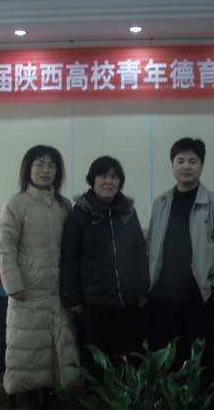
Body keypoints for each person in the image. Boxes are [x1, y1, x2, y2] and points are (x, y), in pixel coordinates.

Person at [0, 145, 79, 410]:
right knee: (27, 355)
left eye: (52, 165)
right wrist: (13, 285)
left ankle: (51, 398)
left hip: (57, 294)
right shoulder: (16, 204)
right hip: (28, 294)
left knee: (54, 353)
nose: (46, 170)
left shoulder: (64, 205)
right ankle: (28, 402)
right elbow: (5, 248)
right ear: (28, 169)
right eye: (40, 164)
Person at [147, 137, 214, 374]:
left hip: (199, 293)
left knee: (198, 362)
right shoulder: (161, 202)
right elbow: (152, 244)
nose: (186, 166)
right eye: (180, 161)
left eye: (192, 161)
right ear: (172, 164)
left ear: (201, 165)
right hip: (163, 294)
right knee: (166, 359)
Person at [60, 156, 149, 368]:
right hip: (92, 304)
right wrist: (72, 298)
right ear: (92, 180)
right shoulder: (79, 214)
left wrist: (143, 290)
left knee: (128, 361)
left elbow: (139, 253)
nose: (108, 181)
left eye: (114, 177)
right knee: (97, 364)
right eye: (103, 176)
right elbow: (69, 258)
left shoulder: (128, 211)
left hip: (128, 303)